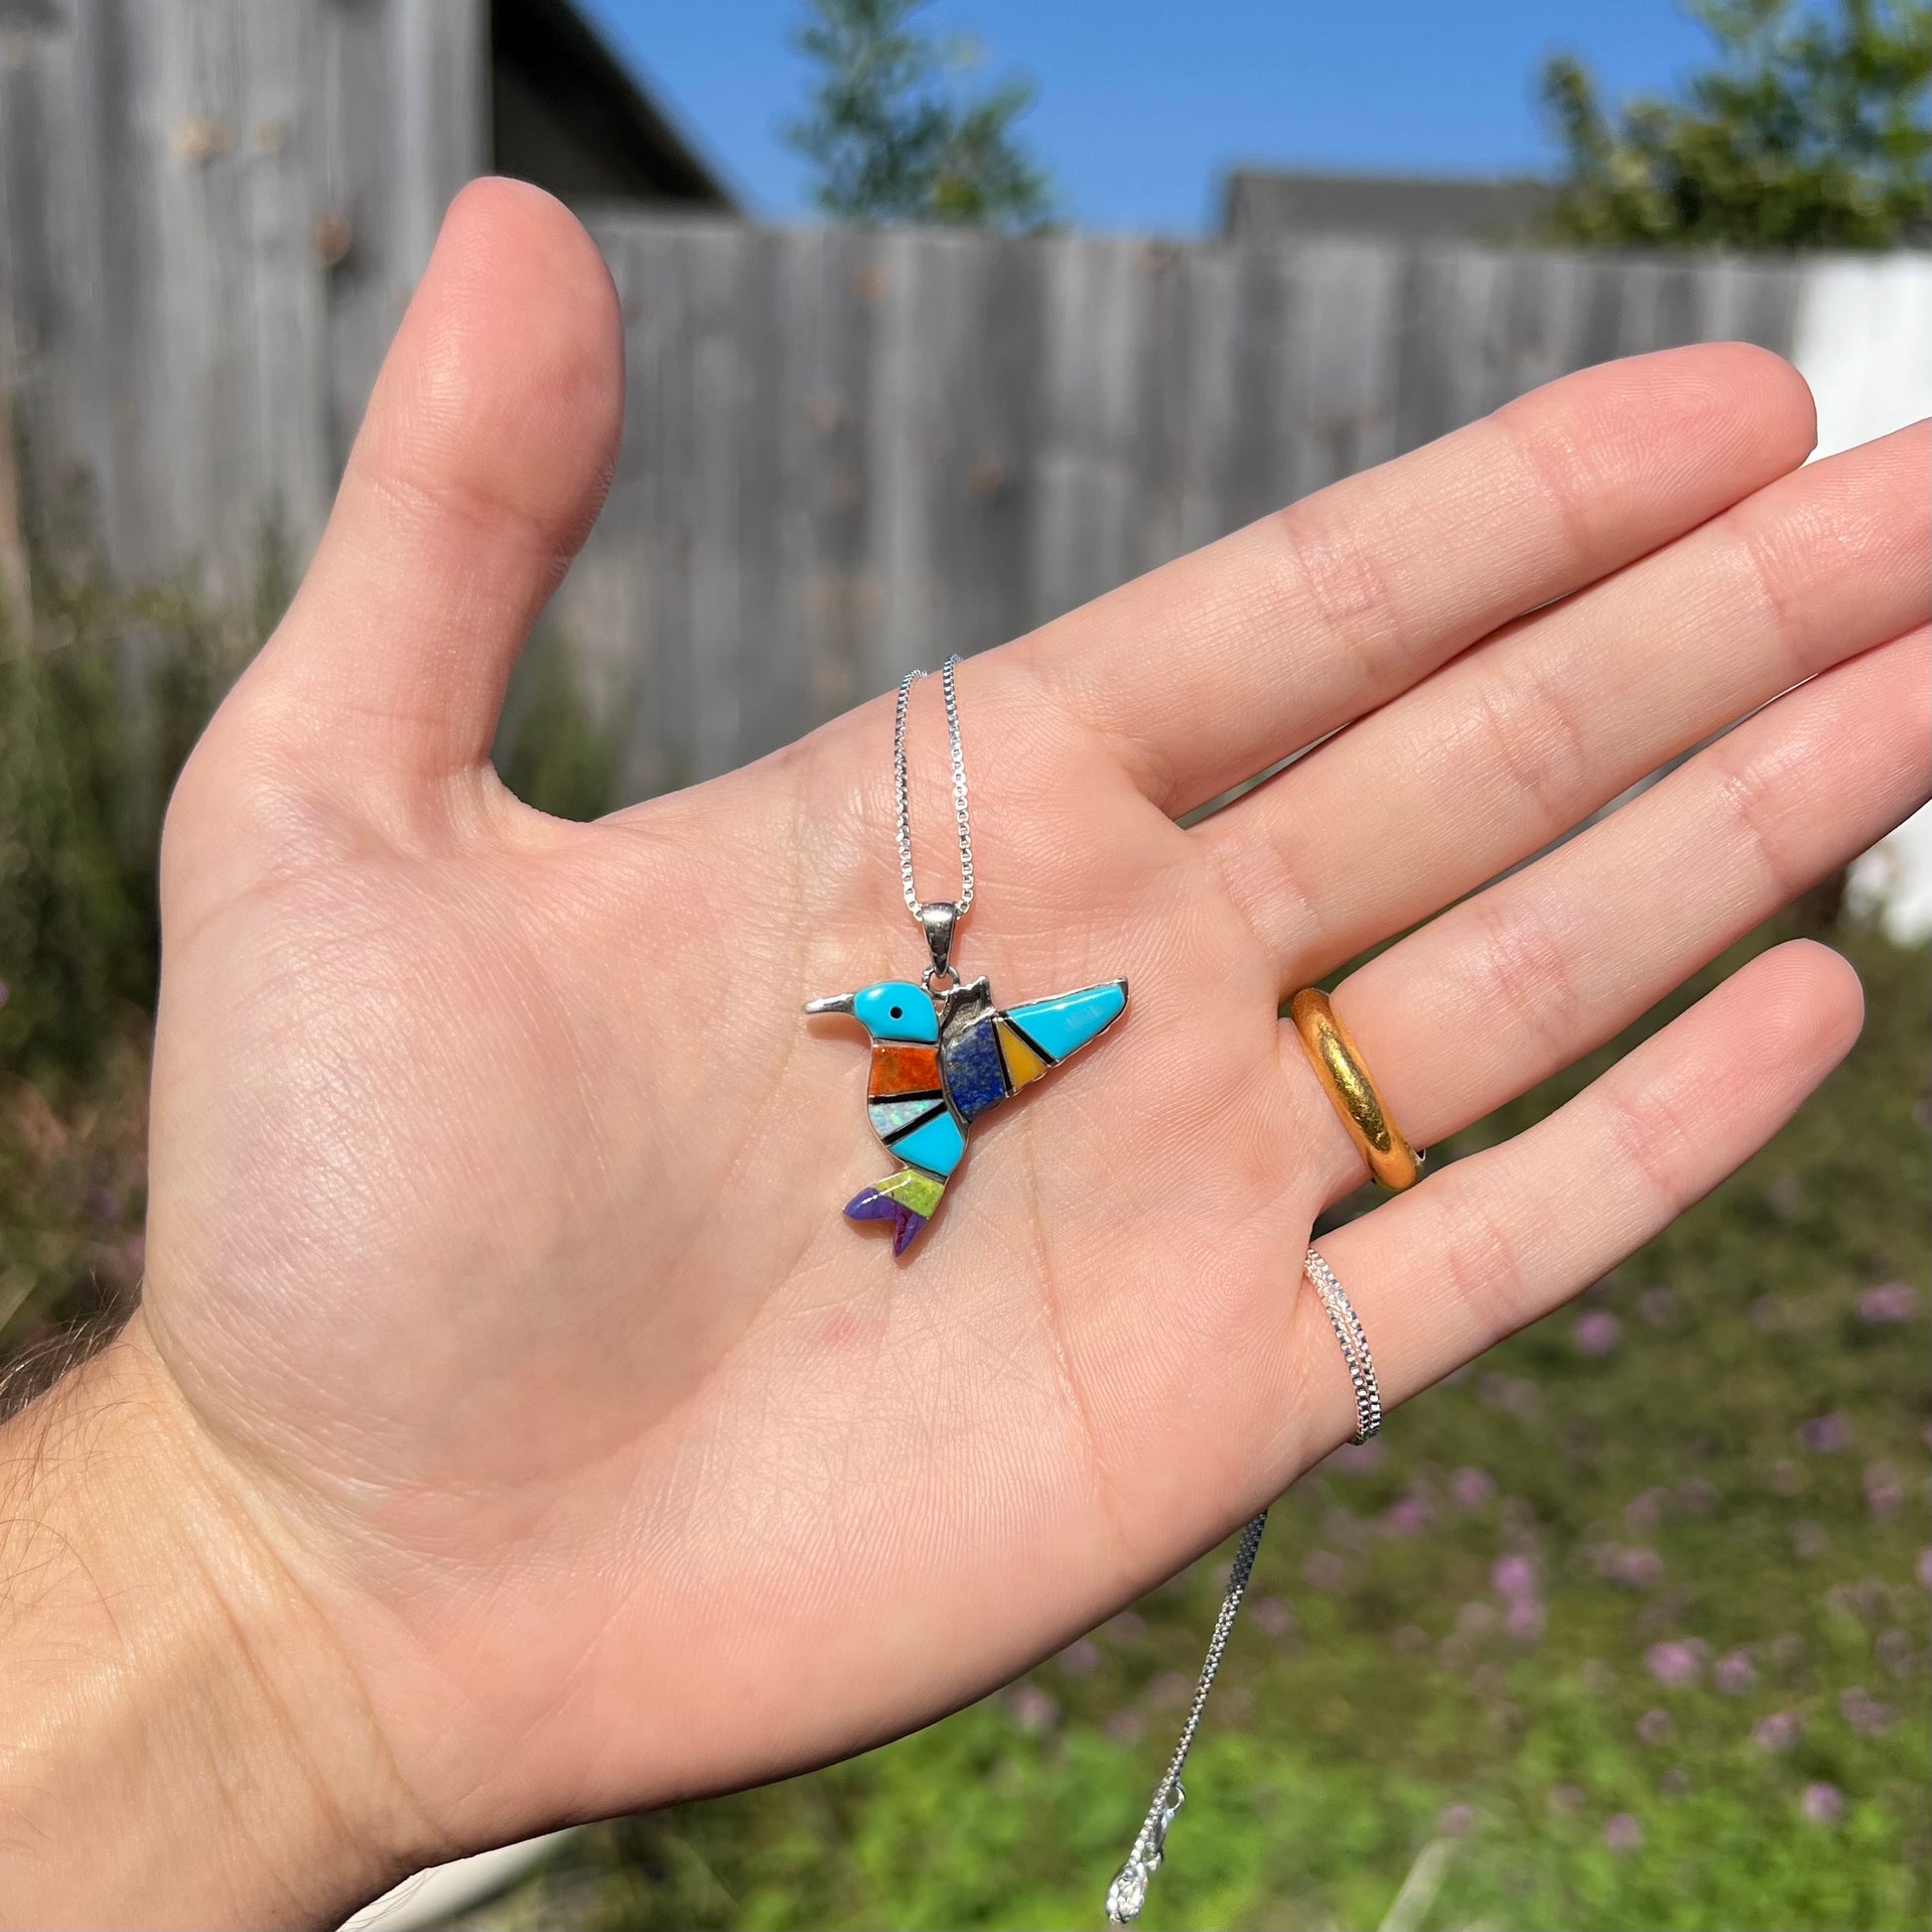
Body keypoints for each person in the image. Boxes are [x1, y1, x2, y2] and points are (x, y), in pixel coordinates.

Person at [1, 179, 1924, 1931]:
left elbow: (982, 1034)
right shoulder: (950, 1049)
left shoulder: (979, 1037)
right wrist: (233, 1545)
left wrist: (229, 1582)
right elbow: (934, 1040)